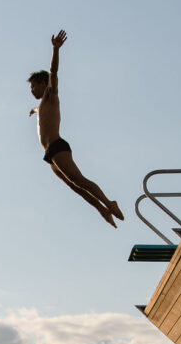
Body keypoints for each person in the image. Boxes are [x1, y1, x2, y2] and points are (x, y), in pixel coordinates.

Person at [29, 29, 124, 228]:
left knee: (79, 180)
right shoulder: (43, 105)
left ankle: (108, 202)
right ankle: (102, 210)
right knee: (74, 187)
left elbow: (54, 72)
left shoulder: (51, 93)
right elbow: (41, 110)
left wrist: (55, 50)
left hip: (57, 145)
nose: (31, 91)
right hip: (49, 153)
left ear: (43, 83)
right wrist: (34, 109)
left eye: (33, 87)